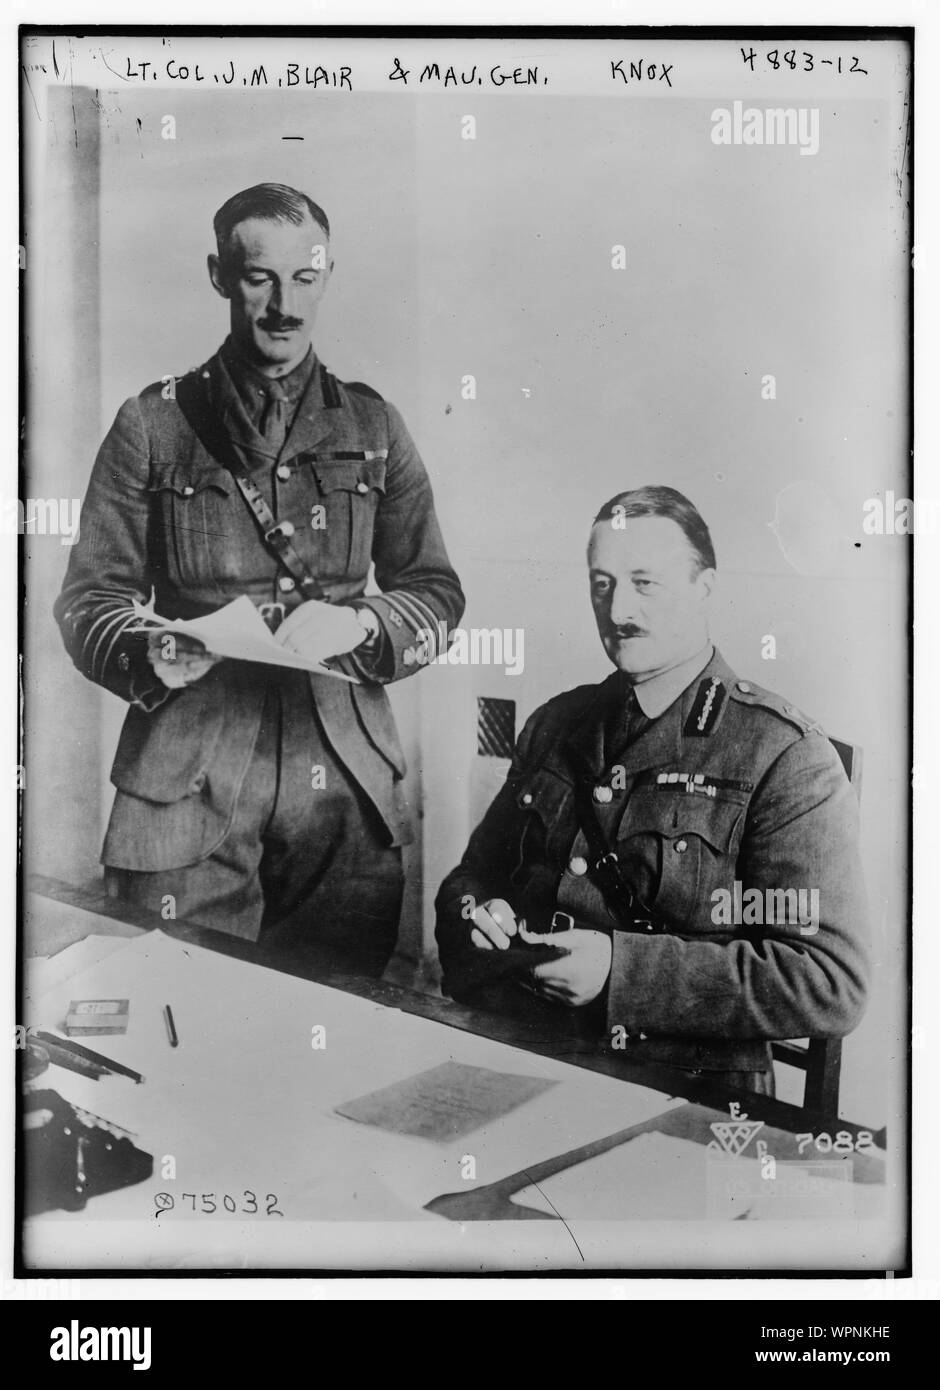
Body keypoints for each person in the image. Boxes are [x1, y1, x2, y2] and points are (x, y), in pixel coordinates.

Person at [56, 182, 464, 976]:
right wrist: (151, 651)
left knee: (336, 1029)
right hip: (186, 778)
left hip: (344, 789)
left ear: (327, 275)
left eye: (305, 279)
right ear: (219, 276)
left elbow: (437, 593)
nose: (284, 304)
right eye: (258, 278)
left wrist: (365, 625)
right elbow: (86, 599)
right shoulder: (155, 423)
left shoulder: (374, 426)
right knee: (172, 1009)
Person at [435, 486, 869, 1094]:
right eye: (602, 584)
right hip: (519, 1049)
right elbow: (470, 877)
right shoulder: (555, 724)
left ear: (705, 588)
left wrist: (621, 973)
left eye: (646, 582)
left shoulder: (785, 756)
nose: (617, 612)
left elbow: (828, 981)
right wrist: (478, 916)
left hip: (682, 1089)